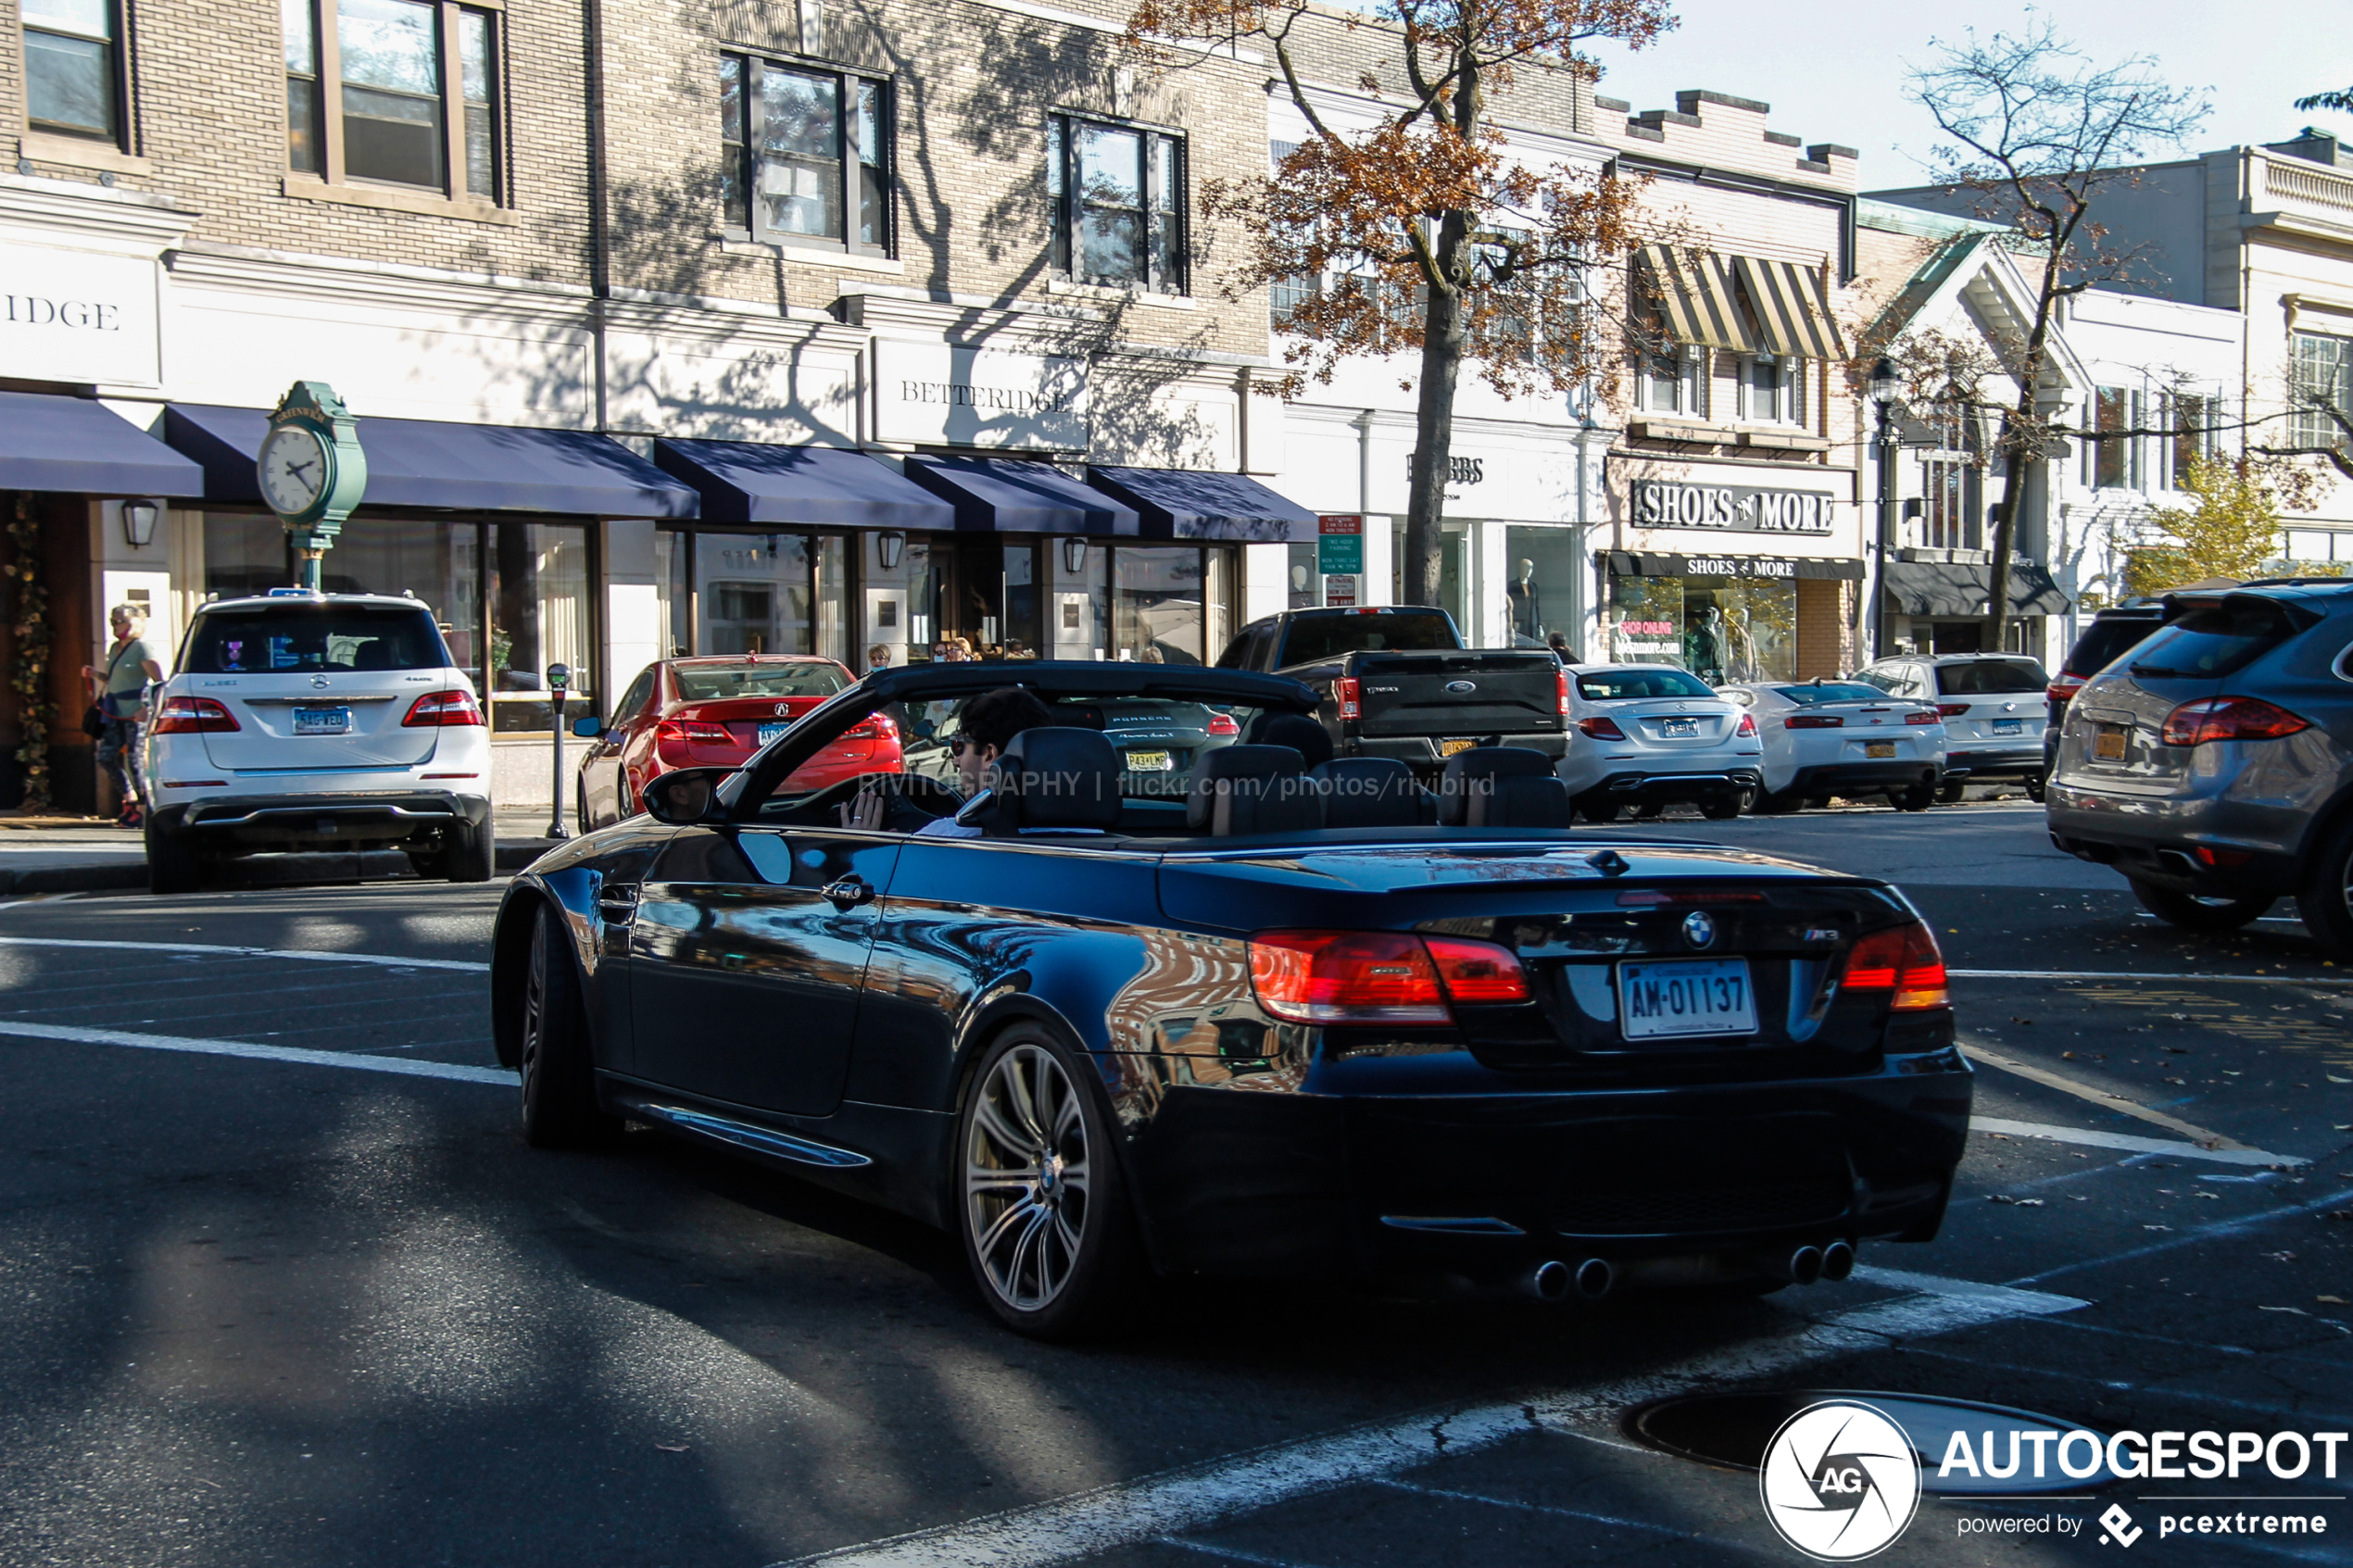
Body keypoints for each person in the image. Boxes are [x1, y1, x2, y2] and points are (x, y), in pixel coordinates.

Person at [840, 686, 1055, 836]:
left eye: (959, 746)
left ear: (989, 755)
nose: (956, 760)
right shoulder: (1085, 835)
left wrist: (858, 847)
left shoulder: (946, 837)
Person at [82, 603, 163, 829]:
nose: (116, 626)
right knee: (105, 756)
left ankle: (143, 810)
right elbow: (113, 678)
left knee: (135, 761)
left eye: (121, 621)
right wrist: (95, 674)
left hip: (135, 714)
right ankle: (130, 798)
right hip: (114, 712)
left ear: (135, 623)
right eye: (113, 622)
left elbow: (159, 683)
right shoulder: (115, 649)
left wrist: (147, 707)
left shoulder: (142, 648)